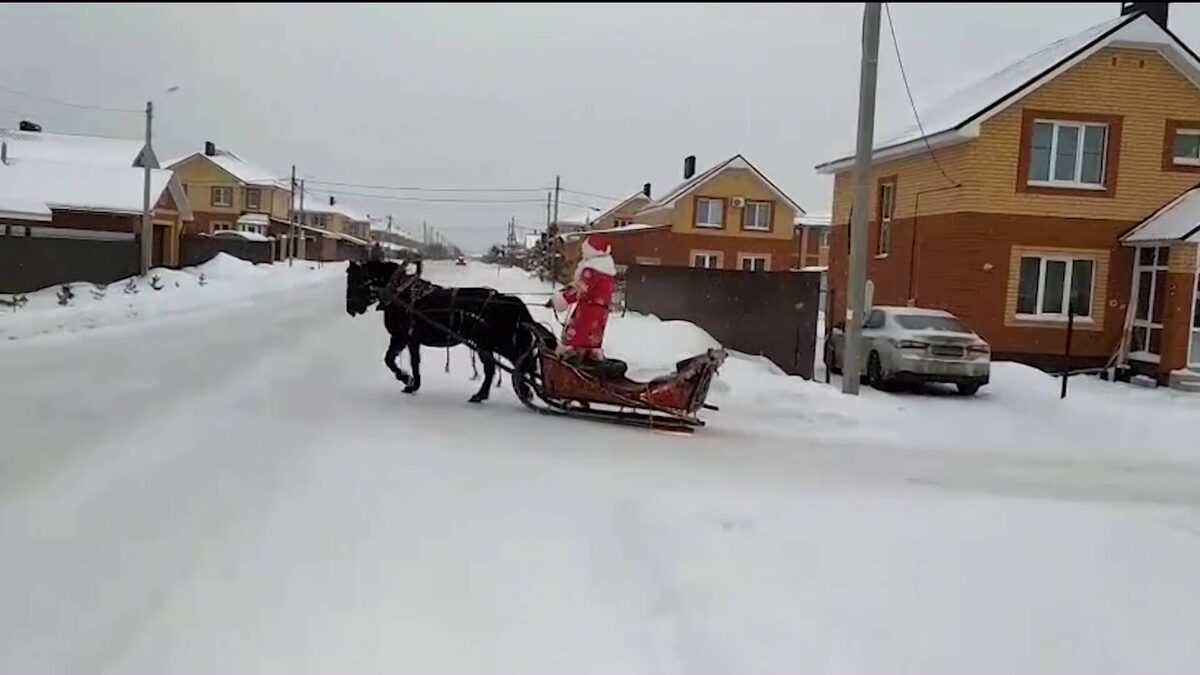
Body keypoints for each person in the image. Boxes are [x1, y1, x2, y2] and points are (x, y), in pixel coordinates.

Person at [548, 233, 616, 361]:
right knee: (591, 340)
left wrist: (561, 299)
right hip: (600, 312)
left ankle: (569, 367)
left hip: (588, 311)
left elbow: (579, 289)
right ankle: (590, 362)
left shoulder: (592, 269)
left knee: (575, 339)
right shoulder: (606, 269)